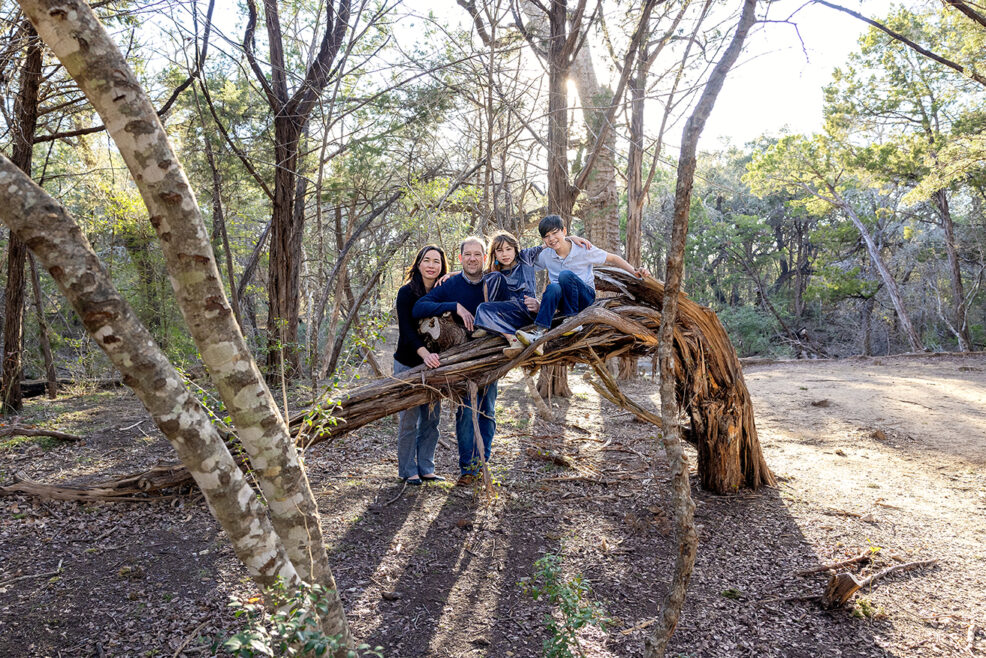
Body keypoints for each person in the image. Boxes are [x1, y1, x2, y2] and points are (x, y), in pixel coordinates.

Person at [412, 236, 496, 486]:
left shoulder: (494, 280)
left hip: (492, 356)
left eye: (477, 254)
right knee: (466, 411)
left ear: (484, 257)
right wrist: (455, 306)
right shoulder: (451, 283)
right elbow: (419, 308)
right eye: (467, 254)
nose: (472, 258)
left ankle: (483, 464)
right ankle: (467, 471)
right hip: (461, 358)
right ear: (460, 258)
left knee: (488, 410)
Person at [517, 214, 650, 347]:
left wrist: (635, 272)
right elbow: (525, 262)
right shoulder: (546, 255)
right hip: (563, 303)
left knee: (565, 275)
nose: (551, 238)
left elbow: (613, 258)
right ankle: (539, 333)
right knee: (552, 288)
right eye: (546, 236)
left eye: (554, 233)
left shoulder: (583, 248)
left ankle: (573, 320)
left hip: (585, 298)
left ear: (564, 231)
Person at [474, 230, 591, 358]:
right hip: (506, 312)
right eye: (500, 250)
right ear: (494, 254)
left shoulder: (525, 257)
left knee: (482, 308)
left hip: (527, 309)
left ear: (515, 249)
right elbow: (473, 277)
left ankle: (491, 325)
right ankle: (512, 338)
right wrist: (452, 274)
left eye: (508, 249)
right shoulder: (492, 272)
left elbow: (551, 243)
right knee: (486, 296)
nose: (505, 254)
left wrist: (571, 238)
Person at [393, 244, 449, 485]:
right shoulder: (406, 293)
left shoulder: (444, 290)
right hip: (408, 362)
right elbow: (406, 330)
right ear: (418, 264)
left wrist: (454, 275)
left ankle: (426, 466)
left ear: (442, 267)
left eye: (436, 261)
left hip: (434, 365)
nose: (431, 265)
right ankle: (407, 469)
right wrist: (424, 354)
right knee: (408, 419)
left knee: (432, 419)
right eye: (427, 260)